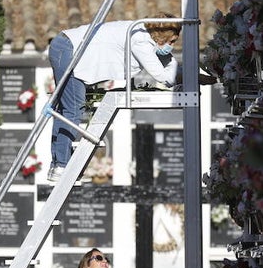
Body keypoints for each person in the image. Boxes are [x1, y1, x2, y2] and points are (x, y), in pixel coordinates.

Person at [47, 14, 181, 183]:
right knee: (72, 108)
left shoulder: (143, 35)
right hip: (68, 49)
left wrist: (192, 74)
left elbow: (168, 63)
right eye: (172, 41)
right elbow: (164, 77)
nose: (172, 46)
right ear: (162, 36)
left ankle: (58, 164)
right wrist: (183, 75)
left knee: (67, 108)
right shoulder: (140, 40)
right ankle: (61, 166)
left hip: (64, 45)